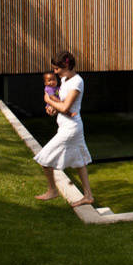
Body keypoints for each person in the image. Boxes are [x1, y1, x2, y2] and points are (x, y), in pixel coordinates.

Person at [34, 51, 94, 206]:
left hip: (71, 129)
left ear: (66, 65)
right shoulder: (64, 80)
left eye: (57, 68)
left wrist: (48, 100)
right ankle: (88, 196)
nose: (55, 72)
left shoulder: (77, 82)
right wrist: (52, 109)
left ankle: (52, 190)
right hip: (66, 126)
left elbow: (66, 107)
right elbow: (61, 103)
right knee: (80, 161)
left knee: (44, 158)